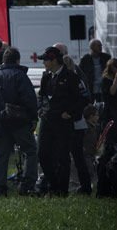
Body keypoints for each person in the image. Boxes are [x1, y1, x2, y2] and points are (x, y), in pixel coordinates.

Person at [0, 48, 40, 196]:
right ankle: (27, 185)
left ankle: (1, 188)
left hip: (0, 124)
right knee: (31, 151)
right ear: (17, 60)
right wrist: (33, 118)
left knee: (2, 156)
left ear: (3, 61)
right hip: (19, 123)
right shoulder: (20, 76)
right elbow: (30, 100)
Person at [37, 46, 87, 196]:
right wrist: (40, 108)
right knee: (43, 154)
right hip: (47, 120)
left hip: (63, 123)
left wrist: (70, 113)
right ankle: (53, 184)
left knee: (62, 157)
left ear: (53, 60)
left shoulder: (71, 77)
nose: (43, 63)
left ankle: (61, 190)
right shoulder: (46, 76)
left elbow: (82, 99)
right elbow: (41, 95)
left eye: (45, 60)